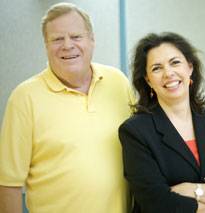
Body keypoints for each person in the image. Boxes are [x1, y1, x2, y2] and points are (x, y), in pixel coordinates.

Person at [0, 3, 134, 213]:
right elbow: (8, 184)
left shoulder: (118, 82)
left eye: (76, 36)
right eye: (57, 39)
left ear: (92, 40)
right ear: (46, 45)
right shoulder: (24, 98)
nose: (67, 45)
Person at [118, 32, 205, 213]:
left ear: (190, 67)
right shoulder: (135, 131)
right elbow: (157, 204)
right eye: (156, 68)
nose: (168, 73)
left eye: (175, 62)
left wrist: (192, 190)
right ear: (148, 80)